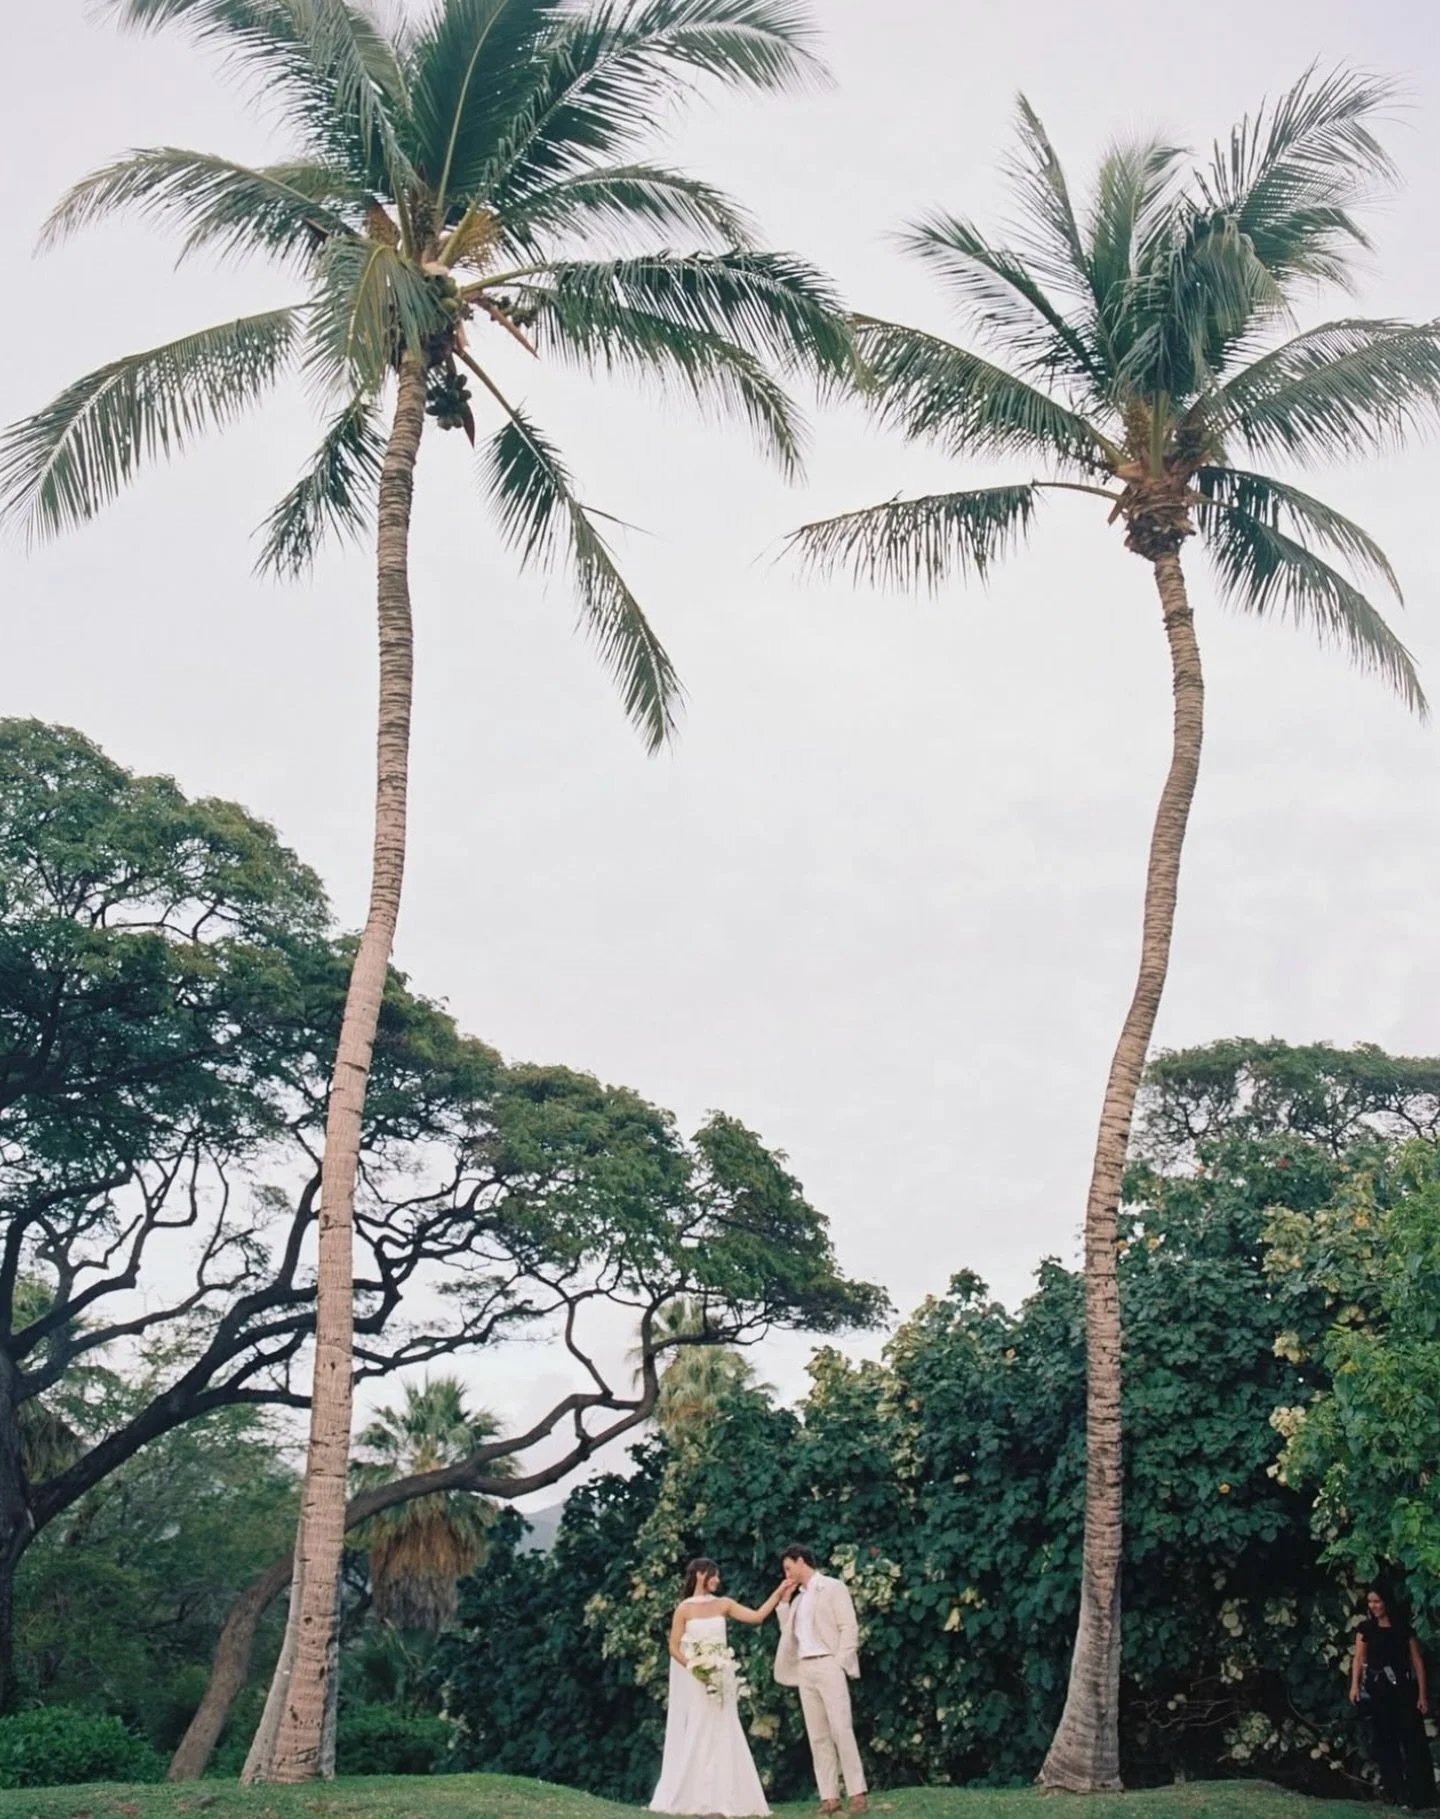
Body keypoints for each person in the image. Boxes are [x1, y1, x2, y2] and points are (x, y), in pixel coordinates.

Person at [650, 1556, 789, 1817]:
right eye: (714, 1575)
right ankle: (697, 1796)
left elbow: (757, 1616)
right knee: (700, 1729)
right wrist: (694, 1667)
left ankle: (727, 1796)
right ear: (701, 1574)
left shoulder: (724, 1604)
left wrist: (779, 1591)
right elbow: (673, 1646)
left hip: (722, 1677)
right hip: (698, 1677)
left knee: (725, 1729)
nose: (718, 1580)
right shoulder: (684, 1609)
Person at [773, 1543, 868, 1816]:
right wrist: (783, 1601)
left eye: (789, 1568)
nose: (787, 1574)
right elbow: (787, 1634)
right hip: (805, 1669)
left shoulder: (832, 1587)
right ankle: (829, 1797)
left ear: (801, 1561)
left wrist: (840, 1663)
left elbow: (848, 1626)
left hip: (828, 1663)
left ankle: (857, 1793)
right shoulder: (799, 1599)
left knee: (841, 1729)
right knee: (818, 1736)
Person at [1350, 1585, 1436, 1809]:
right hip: (1379, 1692)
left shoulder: (1402, 1629)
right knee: (1385, 1742)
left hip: (1403, 1690)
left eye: (1377, 1601)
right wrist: (1354, 1685)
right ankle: (1396, 1795)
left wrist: (1422, 1695)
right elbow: (1358, 1659)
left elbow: (1417, 1662)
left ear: (1386, 1602)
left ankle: (1422, 1796)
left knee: (1413, 1742)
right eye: (1370, 1602)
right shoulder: (1365, 1629)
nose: (1373, 1606)